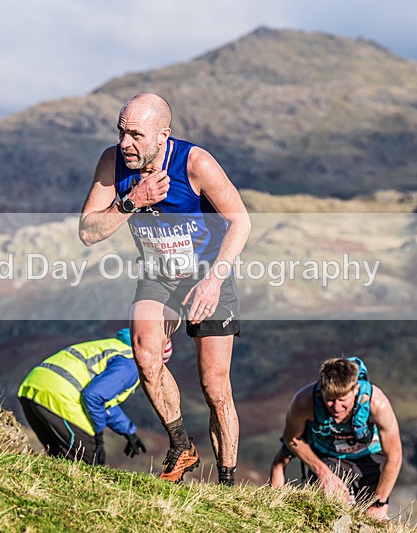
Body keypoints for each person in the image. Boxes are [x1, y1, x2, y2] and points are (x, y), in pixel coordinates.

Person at [79, 93, 251, 485]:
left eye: (136, 135)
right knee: (144, 353)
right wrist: (131, 201)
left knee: (214, 387)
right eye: (121, 132)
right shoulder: (113, 162)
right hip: (158, 276)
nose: (125, 143)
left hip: (208, 276)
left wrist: (214, 281)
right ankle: (181, 445)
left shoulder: (195, 164)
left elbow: (241, 221)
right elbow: (88, 231)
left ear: (163, 135)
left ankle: (227, 484)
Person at [270, 357, 403, 519]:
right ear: (321, 391)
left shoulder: (377, 404)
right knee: (327, 512)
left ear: (355, 389)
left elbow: (394, 455)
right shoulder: (304, 401)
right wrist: (322, 472)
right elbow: (291, 439)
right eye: (330, 400)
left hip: (370, 456)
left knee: (372, 518)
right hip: (328, 456)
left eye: (342, 399)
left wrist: (379, 504)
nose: (337, 408)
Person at [18, 328, 164, 465]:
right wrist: (98, 434)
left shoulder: (111, 347)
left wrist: (128, 430)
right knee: (91, 463)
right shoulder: (131, 363)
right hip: (60, 396)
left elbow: (103, 401)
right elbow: (93, 396)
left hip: (31, 389)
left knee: (60, 460)